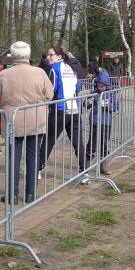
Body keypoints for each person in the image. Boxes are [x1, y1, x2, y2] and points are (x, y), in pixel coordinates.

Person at [0, 41, 52, 204]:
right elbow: (49, 94)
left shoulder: (4, 74)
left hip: (12, 119)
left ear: (13, 55)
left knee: (13, 157)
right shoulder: (40, 72)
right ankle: (31, 193)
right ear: (28, 55)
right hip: (36, 119)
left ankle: (12, 194)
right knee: (33, 156)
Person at [39, 46, 87, 179]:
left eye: (51, 55)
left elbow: (50, 91)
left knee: (49, 140)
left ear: (59, 56)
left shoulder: (53, 69)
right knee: (78, 142)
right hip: (74, 110)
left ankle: (38, 168)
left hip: (59, 110)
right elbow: (78, 87)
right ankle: (85, 172)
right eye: (48, 55)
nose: (48, 57)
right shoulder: (70, 68)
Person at [86, 68, 119, 175]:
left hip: (106, 122)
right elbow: (86, 105)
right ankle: (85, 166)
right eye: (98, 86)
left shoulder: (111, 94)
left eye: (102, 86)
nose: (100, 88)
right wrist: (88, 102)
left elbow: (116, 106)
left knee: (104, 144)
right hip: (95, 122)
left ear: (106, 85)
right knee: (92, 143)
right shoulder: (94, 93)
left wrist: (108, 106)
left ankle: (103, 167)